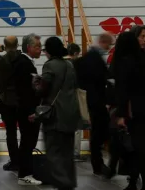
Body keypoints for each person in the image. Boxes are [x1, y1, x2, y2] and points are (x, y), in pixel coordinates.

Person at [111, 28, 145, 189]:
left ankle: (132, 181)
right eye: (142, 37)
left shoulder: (124, 62)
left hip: (131, 111)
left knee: (131, 147)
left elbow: (123, 90)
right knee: (143, 146)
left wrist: (121, 113)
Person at [37, 37, 81, 190]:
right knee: (67, 152)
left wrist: (36, 84)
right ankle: (69, 181)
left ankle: (62, 183)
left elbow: (44, 89)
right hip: (70, 114)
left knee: (54, 152)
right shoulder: (70, 65)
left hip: (55, 115)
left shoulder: (50, 66)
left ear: (49, 50)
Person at [73, 33, 112, 175]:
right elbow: (100, 79)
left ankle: (98, 163)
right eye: (108, 44)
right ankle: (99, 163)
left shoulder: (87, 57)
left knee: (98, 132)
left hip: (92, 101)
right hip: (96, 102)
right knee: (100, 132)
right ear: (102, 42)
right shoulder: (94, 58)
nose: (109, 47)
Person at [0, 36, 21, 171]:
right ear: (17, 45)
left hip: (7, 102)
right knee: (25, 132)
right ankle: (24, 159)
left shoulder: (2, 60)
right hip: (22, 101)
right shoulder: (23, 59)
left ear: (5, 47)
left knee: (11, 133)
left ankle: (14, 161)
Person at [13, 34, 42, 185]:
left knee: (28, 142)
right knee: (27, 142)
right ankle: (24, 174)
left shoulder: (25, 62)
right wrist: (31, 110)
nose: (40, 49)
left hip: (27, 108)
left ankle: (26, 172)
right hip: (27, 110)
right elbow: (25, 91)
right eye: (37, 46)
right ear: (29, 47)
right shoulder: (24, 64)